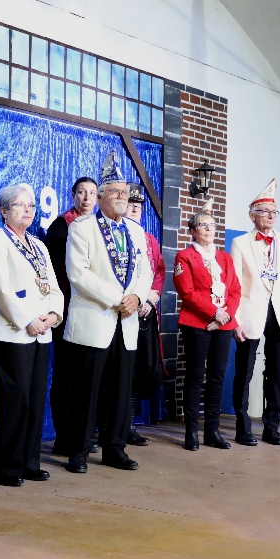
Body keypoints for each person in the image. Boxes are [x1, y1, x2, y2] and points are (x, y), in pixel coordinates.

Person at [58, 151, 152, 473]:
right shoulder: (82, 228)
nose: (122, 197)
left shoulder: (136, 231)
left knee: (121, 391)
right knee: (86, 391)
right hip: (94, 320)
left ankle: (115, 448)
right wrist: (118, 298)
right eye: (115, 192)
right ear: (99, 197)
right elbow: (78, 273)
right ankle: (79, 451)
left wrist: (137, 296)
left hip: (126, 322)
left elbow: (145, 271)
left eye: (125, 192)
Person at [0, 184, 64, 486]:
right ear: (4, 211)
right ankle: (4, 468)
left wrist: (53, 315)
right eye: (19, 205)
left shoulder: (39, 245)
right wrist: (28, 319)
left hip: (42, 333)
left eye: (31, 205)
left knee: (35, 400)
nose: (28, 210)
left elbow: (53, 286)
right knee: (15, 401)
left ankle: (29, 462)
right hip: (12, 332)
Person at [231, 179, 280, 446]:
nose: (270, 216)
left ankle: (272, 428)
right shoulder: (240, 243)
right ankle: (243, 427)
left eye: (273, 212)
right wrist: (236, 321)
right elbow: (235, 284)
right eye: (263, 211)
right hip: (250, 314)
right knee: (244, 373)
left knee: (276, 374)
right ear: (252, 215)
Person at [173, 201, 241, 451]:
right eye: (203, 225)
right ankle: (191, 431)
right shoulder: (185, 257)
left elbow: (235, 290)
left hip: (223, 324)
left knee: (217, 376)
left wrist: (225, 316)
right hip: (196, 323)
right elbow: (187, 292)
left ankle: (212, 430)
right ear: (193, 231)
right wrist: (214, 313)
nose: (209, 229)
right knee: (194, 376)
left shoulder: (225, 258)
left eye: (212, 225)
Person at [45, 176, 98, 444]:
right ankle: (63, 437)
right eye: (81, 192)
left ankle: (83, 434)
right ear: (73, 195)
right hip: (66, 310)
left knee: (87, 375)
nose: (87, 198)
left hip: (93, 310)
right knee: (65, 374)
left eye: (92, 193)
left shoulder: (100, 228)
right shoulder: (61, 226)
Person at [126, 183, 166, 445]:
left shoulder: (149, 239)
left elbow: (159, 271)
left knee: (140, 371)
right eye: (130, 206)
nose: (134, 210)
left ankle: (129, 425)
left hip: (145, 315)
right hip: (121, 312)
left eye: (138, 207)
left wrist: (150, 299)